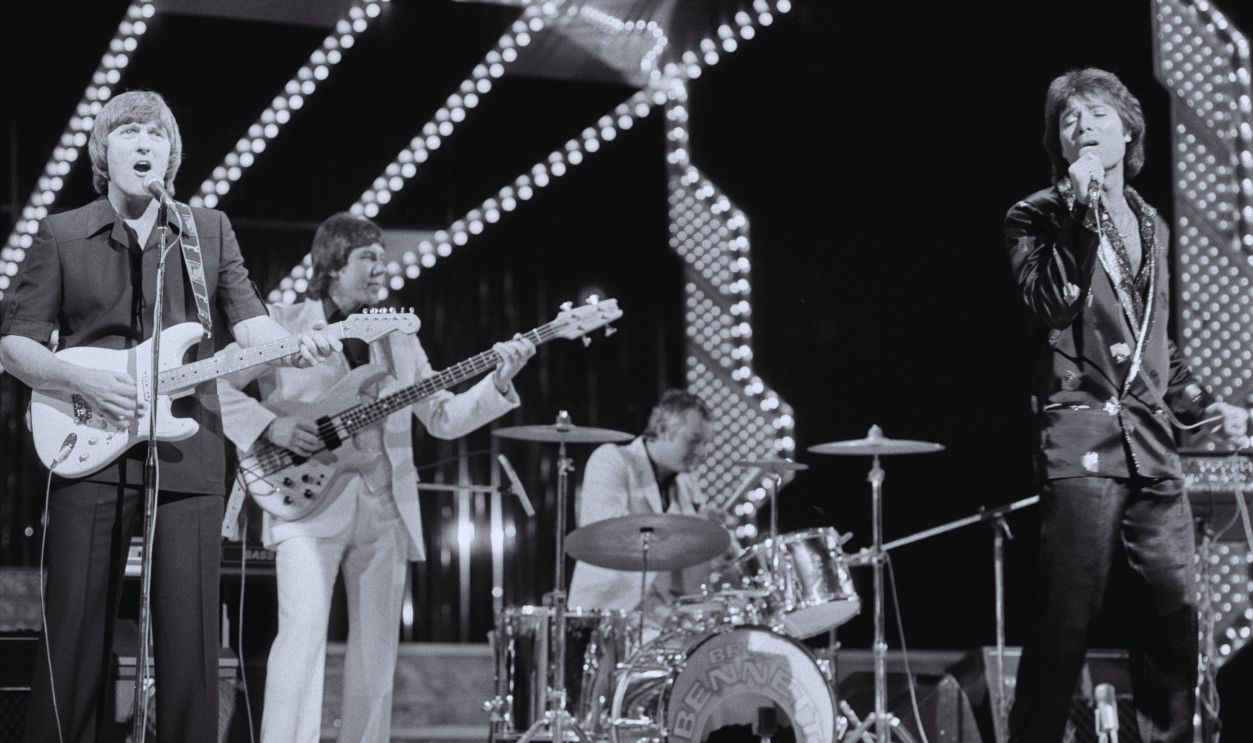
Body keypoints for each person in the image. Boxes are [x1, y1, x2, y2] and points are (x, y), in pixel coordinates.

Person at [0, 90, 339, 743]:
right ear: (105, 149)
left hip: (189, 453)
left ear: (170, 152)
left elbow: (255, 324)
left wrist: (304, 342)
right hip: (85, 444)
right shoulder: (64, 232)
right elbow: (15, 346)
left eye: (155, 133)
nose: (143, 142)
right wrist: (80, 380)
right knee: (74, 629)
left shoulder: (205, 230)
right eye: (128, 130)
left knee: (190, 640)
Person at [216, 212, 535, 743]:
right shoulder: (282, 322)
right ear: (333, 263)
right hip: (303, 502)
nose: (380, 268)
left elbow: (443, 416)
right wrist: (272, 426)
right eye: (368, 257)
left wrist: (499, 381)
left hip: (385, 506)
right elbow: (217, 387)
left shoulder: (398, 337)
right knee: (301, 640)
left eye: (383, 259)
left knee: (377, 657)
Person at [1004, 68, 1247, 743]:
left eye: (1097, 115)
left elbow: (1156, 350)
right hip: (1079, 434)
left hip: (1150, 442)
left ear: (1129, 130)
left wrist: (1210, 411)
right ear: (1057, 141)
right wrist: (1080, 216)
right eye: (1068, 120)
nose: (1082, 126)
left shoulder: (1151, 224)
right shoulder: (1034, 216)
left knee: (1173, 616)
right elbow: (1053, 304)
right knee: (1066, 619)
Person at [567, 389, 718, 630]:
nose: (702, 452)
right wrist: (687, 532)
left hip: (663, 618)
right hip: (609, 612)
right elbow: (606, 534)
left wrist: (713, 541)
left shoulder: (687, 484)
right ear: (662, 429)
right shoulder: (613, 459)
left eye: (706, 443)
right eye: (693, 440)